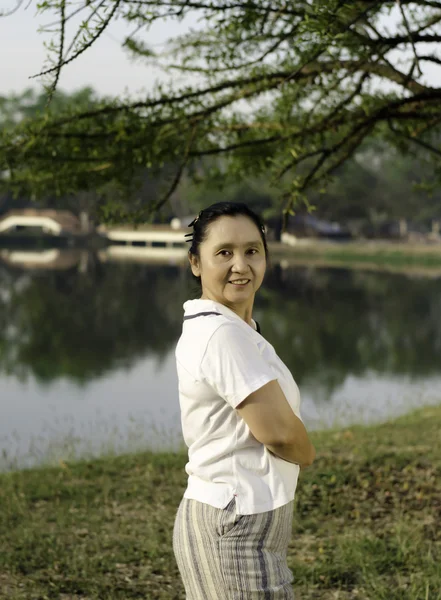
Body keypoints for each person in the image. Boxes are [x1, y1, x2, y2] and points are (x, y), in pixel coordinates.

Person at [173, 201, 316, 599]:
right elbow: (280, 433)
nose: (241, 265)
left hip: (242, 521)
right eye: (224, 253)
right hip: (235, 527)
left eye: (252, 251)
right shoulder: (221, 334)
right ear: (196, 263)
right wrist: (308, 454)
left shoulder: (237, 329)